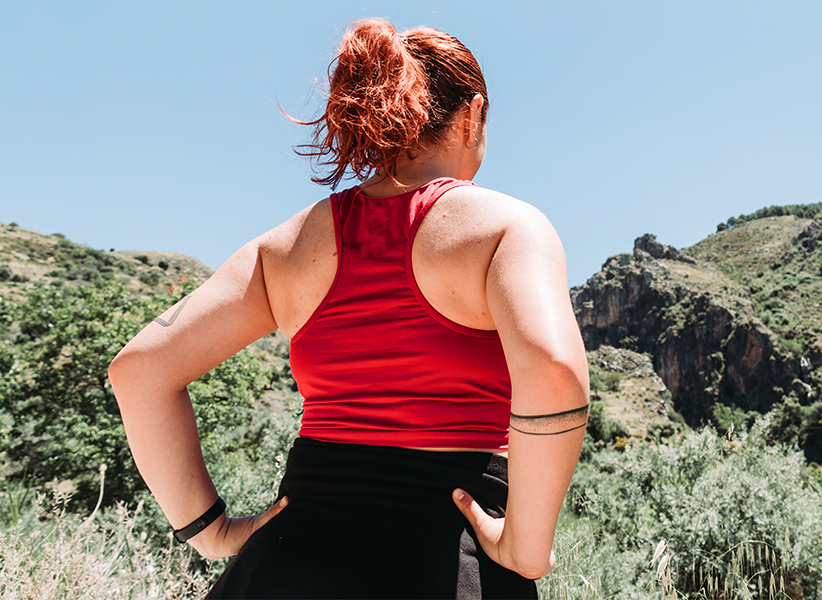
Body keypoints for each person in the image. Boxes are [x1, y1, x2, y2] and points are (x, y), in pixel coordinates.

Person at [108, 17, 589, 599]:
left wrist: (209, 532)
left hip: (284, 566)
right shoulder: (506, 228)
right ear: (472, 115)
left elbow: (139, 371)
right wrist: (527, 547)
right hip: (444, 560)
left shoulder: (285, 247)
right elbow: (555, 372)